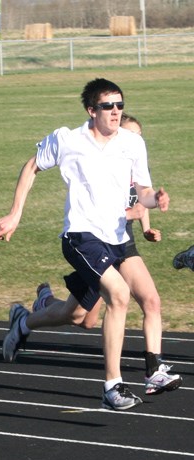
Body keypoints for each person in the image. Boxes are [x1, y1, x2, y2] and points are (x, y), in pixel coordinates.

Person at [0, 78, 170, 411]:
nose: (116, 111)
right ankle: (112, 385)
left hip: (118, 239)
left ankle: (23, 321)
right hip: (81, 236)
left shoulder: (132, 143)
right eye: (108, 106)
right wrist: (15, 213)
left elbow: (142, 190)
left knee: (78, 315)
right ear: (92, 111)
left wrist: (154, 199)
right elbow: (32, 166)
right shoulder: (68, 139)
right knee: (118, 296)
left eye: (120, 105)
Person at [30, 114, 181, 396]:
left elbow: (143, 199)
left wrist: (147, 226)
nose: (134, 142)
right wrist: (127, 214)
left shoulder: (134, 162)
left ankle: (154, 370)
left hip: (123, 244)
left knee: (151, 300)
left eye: (139, 137)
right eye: (129, 136)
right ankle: (32, 314)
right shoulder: (101, 164)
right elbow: (99, 210)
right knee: (80, 318)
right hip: (94, 243)